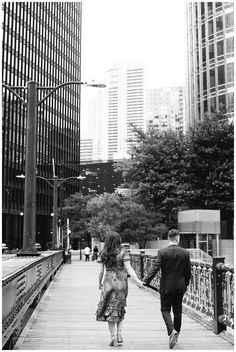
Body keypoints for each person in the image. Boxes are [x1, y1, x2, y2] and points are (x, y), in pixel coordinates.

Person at [143, 229, 191, 349]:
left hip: (166, 287)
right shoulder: (185, 253)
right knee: (178, 311)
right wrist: (186, 284)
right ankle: (177, 335)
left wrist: (146, 281)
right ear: (177, 238)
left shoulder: (162, 252)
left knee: (165, 310)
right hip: (180, 287)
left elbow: (155, 268)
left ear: (169, 238)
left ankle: (171, 331)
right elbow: (188, 272)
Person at [96, 231, 145, 347]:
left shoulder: (103, 253)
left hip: (108, 282)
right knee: (120, 307)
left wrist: (99, 283)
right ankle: (119, 333)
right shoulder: (123, 252)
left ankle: (113, 337)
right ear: (118, 240)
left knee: (109, 309)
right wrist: (138, 282)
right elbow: (129, 269)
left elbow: (100, 271)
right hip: (121, 283)